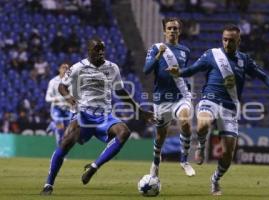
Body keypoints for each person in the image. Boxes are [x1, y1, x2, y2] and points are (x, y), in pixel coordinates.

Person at [166, 24, 269, 195]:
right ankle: (201, 145)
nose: (227, 43)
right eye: (224, 39)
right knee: (202, 125)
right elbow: (193, 70)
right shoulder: (211, 54)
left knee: (228, 153)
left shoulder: (244, 60)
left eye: (231, 40)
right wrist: (178, 72)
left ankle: (215, 179)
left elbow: (263, 75)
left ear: (239, 41)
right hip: (210, 99)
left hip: (230, 108)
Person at [40, 38, 154, 195]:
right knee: (65, 142)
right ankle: (48, 184)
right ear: (89, 51)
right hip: (83, 114)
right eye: (97, 49)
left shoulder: (112, 68)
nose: (100, 52)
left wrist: (139, 110)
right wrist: (67, 97)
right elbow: (61, 86)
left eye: (102, 49)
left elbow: (120, 91)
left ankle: (94, 167)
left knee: (124, 132)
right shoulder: (77, 68)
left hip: (104, 116)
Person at [144, 18, 195, 177]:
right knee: (160, 136)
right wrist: (159, 56)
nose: (172, 31)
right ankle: (155, 163)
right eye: (169, 28)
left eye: (175, 28)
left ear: (179, 31)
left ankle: (184, 161)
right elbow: (146, 70)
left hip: (181, 95)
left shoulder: (185, 51)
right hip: (162, 99)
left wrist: (179, 73)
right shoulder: (155, 48)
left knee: (185, 122)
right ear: (164, 31)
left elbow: (186, 72)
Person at [45, 63, 73, 146]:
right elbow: (47, 98)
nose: (65, 69)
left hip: (68, 108)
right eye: (63, 68)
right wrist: (55, 99)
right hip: (57, 108)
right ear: (59, 69)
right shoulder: (53, 82)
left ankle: (52, 125)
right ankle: (60, 151)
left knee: (68, 131)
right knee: (60, 128)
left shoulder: (71, 82)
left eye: (67, 68)